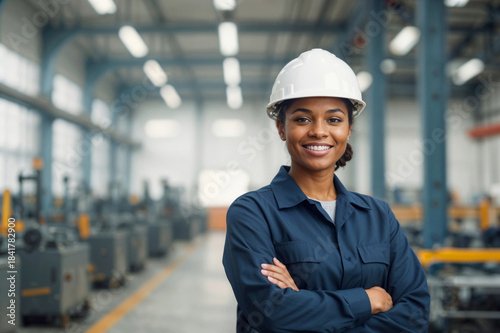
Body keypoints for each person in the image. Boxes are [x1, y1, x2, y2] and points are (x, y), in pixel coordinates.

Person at [222, 48, 430, 333]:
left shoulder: (378, 216)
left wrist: (302, 305)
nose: (319, 131)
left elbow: (415, 313)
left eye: (333, 119)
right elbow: (269, 312)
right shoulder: (253, 213)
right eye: (302, 119)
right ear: (281, 128)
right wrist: (368, 300)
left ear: (349, 128)